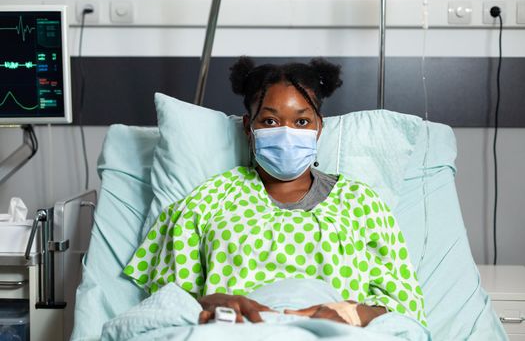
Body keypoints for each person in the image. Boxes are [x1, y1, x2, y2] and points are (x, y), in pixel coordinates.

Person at [124, 56, 427, 328]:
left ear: (318, 128)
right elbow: (167, 303)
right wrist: (212, 302)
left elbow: (405, 311)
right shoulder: (208, 201)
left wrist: (350, 314)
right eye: (270, 121)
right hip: (236, 330)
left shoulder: (361, 204)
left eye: (301, 121)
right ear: (248, 127)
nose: (286, 132)